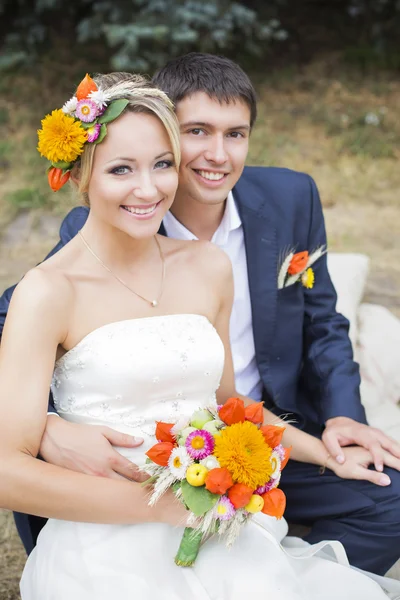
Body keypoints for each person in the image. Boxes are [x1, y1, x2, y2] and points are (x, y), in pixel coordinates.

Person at [1, 69, 399, 600]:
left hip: (219, 496)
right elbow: (8, 464)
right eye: (121, 169)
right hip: (109, 523)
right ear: (78, 176)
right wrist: (51, 429)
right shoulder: (52, 286)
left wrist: (324, 450)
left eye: (161, 165)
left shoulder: (209, 265)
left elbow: (228, 398)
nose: (149, 188)